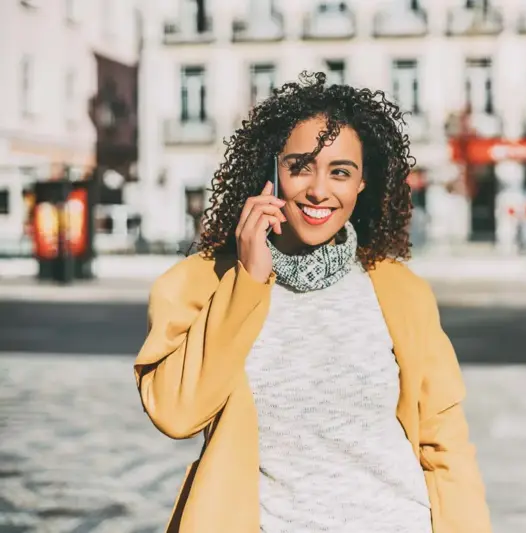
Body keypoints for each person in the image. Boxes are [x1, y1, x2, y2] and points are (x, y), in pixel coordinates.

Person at [133, 72, 492, 533]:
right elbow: (176, 413)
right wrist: (247, 281)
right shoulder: (200, 284)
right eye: (301, 166)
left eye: (340, 172)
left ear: (362, 183)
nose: (320, 189)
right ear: (270, 171)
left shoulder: (402, 292)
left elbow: (446, 446)